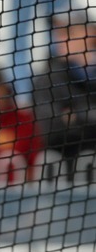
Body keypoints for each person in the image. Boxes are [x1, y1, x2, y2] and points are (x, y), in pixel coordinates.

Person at [32, 13, 96, 183]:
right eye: (58, 32)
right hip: (64, 174)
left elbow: (69, 122)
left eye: (69, 32)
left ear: (91, 34)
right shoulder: (46, 80)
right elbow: (51, 130)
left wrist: (75, 116)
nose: (61, 38)